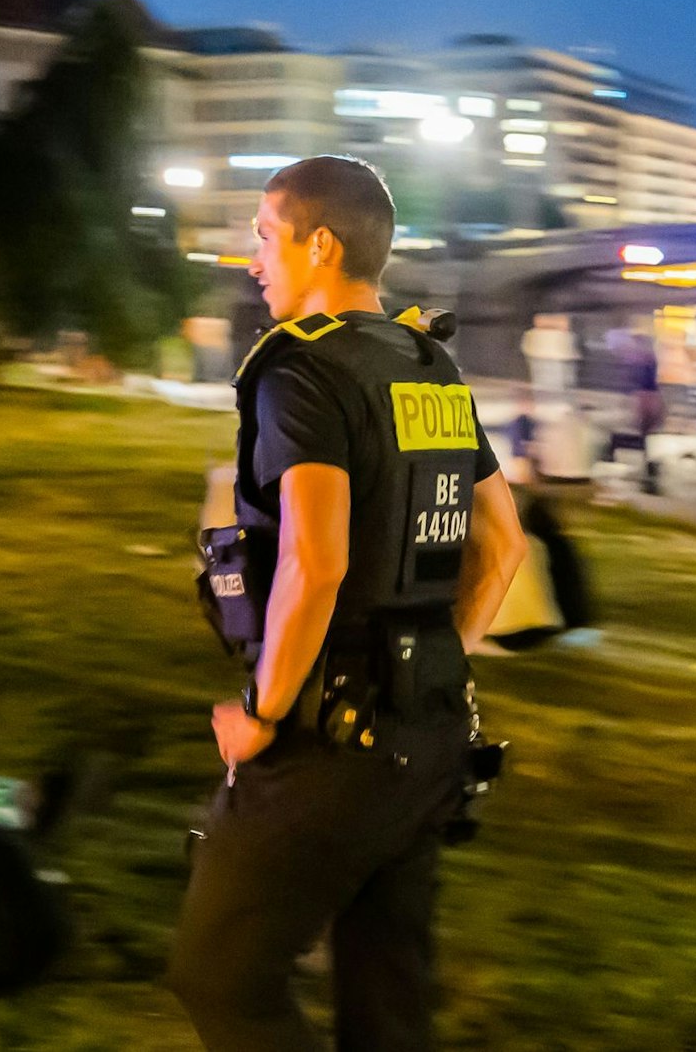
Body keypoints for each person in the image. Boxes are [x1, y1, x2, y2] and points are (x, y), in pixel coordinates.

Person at [169, 156, 527, 1052]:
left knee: (220, 974)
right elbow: (505, 541)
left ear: (319, 242)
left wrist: (263, 713)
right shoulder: (428, 363)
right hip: (431, 732)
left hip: (331, 739)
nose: (253, 257)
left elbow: (315, 561)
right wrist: (442, 654)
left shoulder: (305, 372)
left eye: (262, 234)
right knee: (387, 1003)